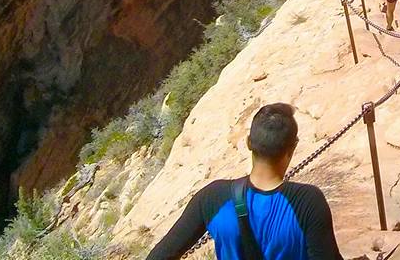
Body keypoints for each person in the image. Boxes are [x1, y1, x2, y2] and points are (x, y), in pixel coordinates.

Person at [145, 103, 343, 260]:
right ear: (292, 147)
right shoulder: (308, 201)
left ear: (249, 143)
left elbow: (159, 256)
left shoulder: (213, 197)